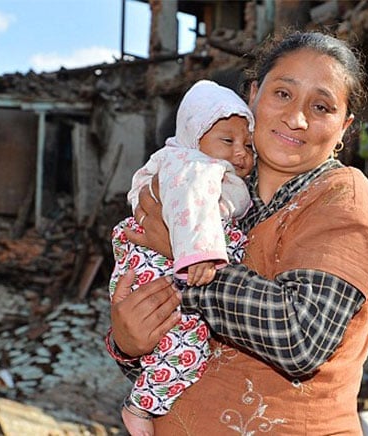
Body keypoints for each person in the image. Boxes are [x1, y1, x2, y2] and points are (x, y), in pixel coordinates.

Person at [107, 30, 368, 434]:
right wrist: (128, 343)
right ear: (253, 96)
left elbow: (299, 338)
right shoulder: (215, 194)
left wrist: (188, 259)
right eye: (282, 94)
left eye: (321, 107)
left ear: (344, 128)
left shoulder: (343, 202)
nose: (296, 118)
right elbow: (175, 343)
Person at [108, 79, 255, 435]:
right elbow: (193, 209)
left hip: (167, 264)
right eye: (228, 141)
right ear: (194, 136)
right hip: (163, 269)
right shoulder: (193, 168)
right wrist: (197, 256)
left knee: (172, 342)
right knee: (186, 349)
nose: (241, 153)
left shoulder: (204, 168)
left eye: (248, 145)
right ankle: (142, 406)